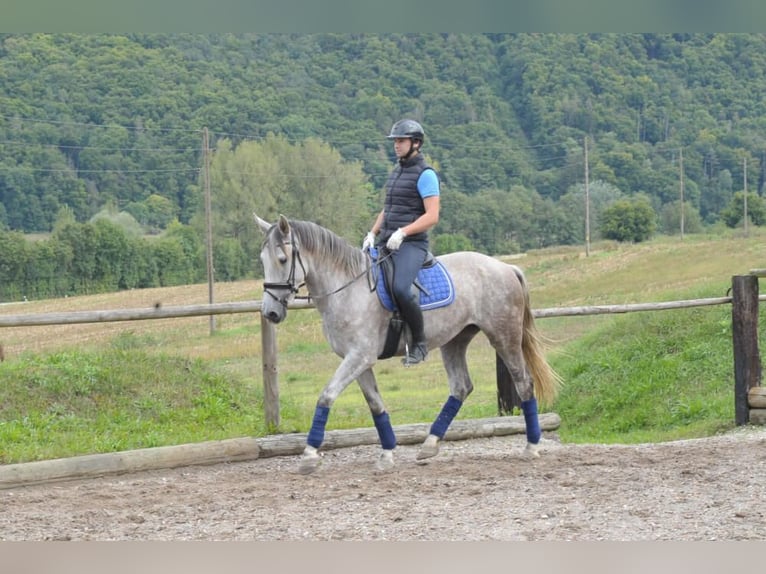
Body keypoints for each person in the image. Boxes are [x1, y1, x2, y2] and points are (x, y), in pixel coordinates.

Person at [362, 119, 440, 366]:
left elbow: (432, 216)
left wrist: (403, 232)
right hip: (387, 241)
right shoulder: (396, 172)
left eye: (401, 141)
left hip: (412, 245)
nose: (396, 145)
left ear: (415, 143)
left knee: (400, 289)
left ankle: (419, 343)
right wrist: (372, 233)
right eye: (395, 141)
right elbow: (388, 209)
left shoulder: (426, 175)